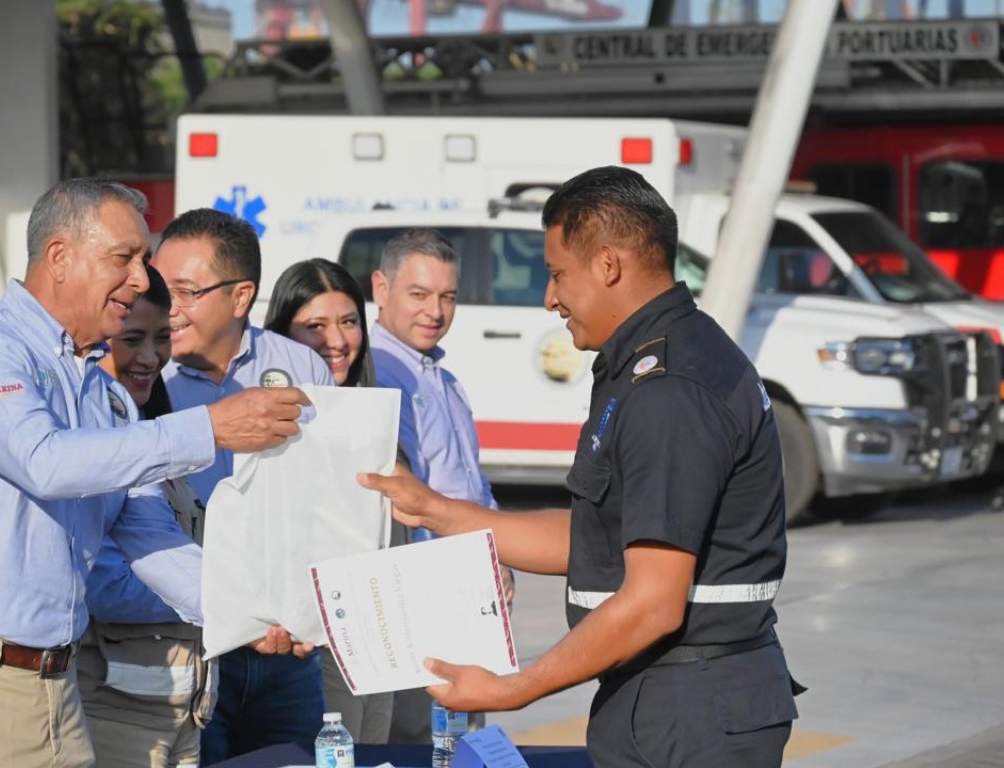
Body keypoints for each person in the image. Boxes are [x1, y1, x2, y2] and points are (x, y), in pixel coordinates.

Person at [361, 166, 798, 768]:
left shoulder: (669, 389)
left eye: (557, 273)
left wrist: (512, 689)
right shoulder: (654, 362)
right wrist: (439, 511)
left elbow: (652, 602)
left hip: (691, 710)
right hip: (670, 697)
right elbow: (594, 539)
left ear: (609, 265)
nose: (550, 298)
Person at [0, 180, 308, 768]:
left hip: (57, 687)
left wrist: (258, 614)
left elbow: (152, 538)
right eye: (123, 257)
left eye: (142, 258)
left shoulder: (106, 396)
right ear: (59, 257)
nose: (140, 278)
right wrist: (209, 428)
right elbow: (45, 462)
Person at [156, 209, 334, 764]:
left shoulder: (302, 368)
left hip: (288, 650)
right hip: (185, 645)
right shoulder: (144, 374)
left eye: (186, 291)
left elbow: (329, 502)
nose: (169, 308)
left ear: (241, 297)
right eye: (162, 290)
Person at [367, 228, 508, 743]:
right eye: (419, 294)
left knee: (466, 738)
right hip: (421, 591)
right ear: (381, 288)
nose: (435, 311)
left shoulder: (444, 379)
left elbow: (472, 481)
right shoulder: (377, 375)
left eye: (448, 297)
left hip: (469, 588)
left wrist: (500, 553)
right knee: (420, 740)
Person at [77, 265, 217, 768]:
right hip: (118, 711)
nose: (150, 357)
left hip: (183, 709)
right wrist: (234, 599)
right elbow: (105, 585)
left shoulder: (156, 434)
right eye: (131, 338)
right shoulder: (87, 445)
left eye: (162, 339)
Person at [263, 258, 394, 743]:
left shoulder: (377, 420)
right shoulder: (270, 428)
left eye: (348, 322)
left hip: (377, 641)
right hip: (311, 645)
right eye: (314, 326)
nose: (336, 342)